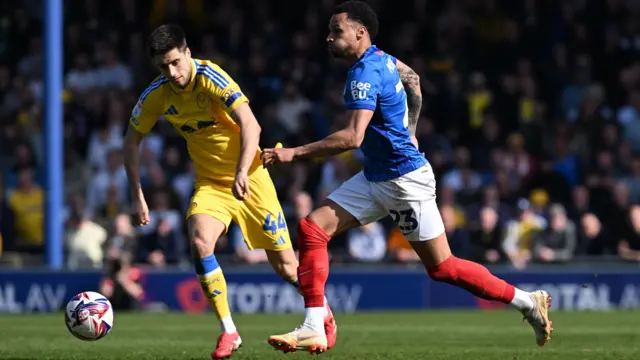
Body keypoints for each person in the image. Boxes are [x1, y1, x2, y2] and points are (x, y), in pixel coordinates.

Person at [263, 1, 552, 354]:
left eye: (336, 32)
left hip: (403, 181)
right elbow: (413, 79)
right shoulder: (383, 59)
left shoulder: (363, 73)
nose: (328, 38)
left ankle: (527, 302)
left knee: (444, 269)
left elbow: (353, 137)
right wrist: (410, 129)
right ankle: (314, 324)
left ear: (360, 32)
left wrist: (294, 152)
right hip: (375, 176)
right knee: (312, 229)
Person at [123, 24, 337, 359]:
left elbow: (252, 124)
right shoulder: (157, 94)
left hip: (251, 178)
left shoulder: (211, 77)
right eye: (163, 66)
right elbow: (131, 141)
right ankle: (229, 331)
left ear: (188, 52)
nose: (172, 72)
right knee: (199, 241)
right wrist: (137, 194)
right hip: (211, 184)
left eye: (176, 62)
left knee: (285, 267)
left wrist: (240, 171)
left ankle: (322, 310)